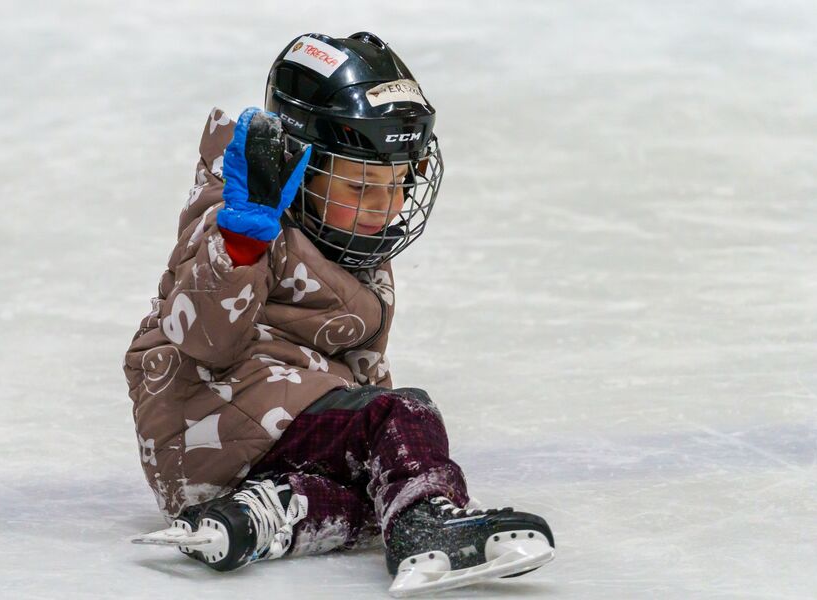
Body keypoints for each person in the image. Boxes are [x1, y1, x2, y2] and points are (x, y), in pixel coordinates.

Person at [124, 31, 555, 596]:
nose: (389, 205)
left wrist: (386, 460)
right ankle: (425, 525)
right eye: (361, 185)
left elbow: (359, 365)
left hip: (249, 455)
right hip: (211, 418)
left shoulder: (352, 241)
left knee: (371, 496)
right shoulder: (238, 218)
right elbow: (204, 338)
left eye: (399, 182)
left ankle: (260, 517)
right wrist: (241, 243)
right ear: (301, 165)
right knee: (403, 417)